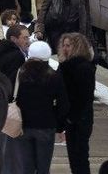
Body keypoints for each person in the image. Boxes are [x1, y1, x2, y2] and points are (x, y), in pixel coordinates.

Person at [13, 41, 69, 174]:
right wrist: (60, 126)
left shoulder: (20, 74)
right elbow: (63, 104)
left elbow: (12, 95)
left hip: (23, 126)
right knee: (43, 168)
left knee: (26, 168)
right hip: (46, 126)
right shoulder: (53, 76)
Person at [57, 32, 96, 174]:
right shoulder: (70, 66)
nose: (66, 49)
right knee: (75, 156)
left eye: (69, 45)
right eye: (64, 45)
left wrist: (70, 118)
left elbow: (84, 97)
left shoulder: (80, 67)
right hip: (74, 118)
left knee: (79, 156)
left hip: (79, 118)